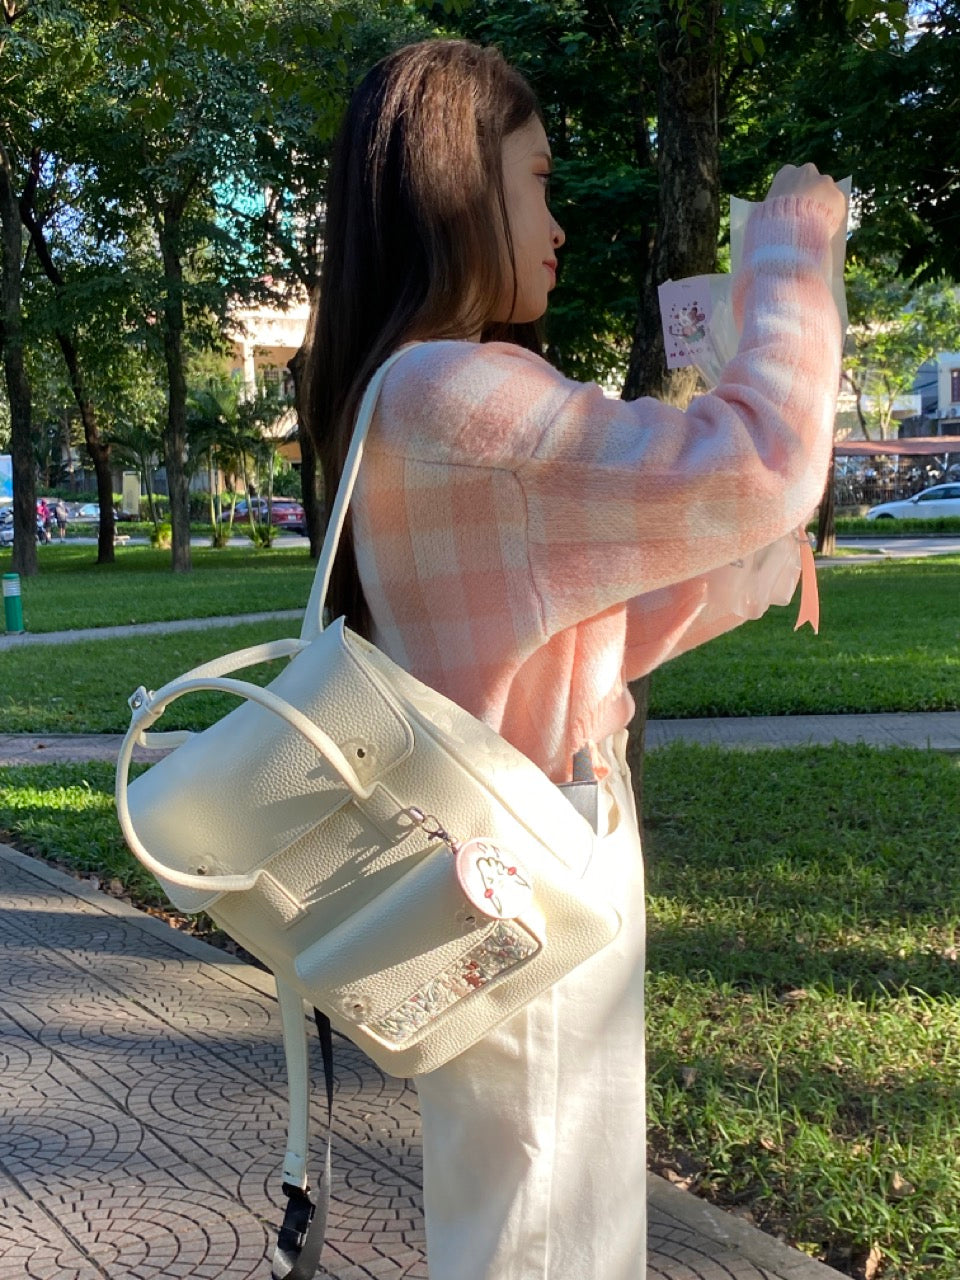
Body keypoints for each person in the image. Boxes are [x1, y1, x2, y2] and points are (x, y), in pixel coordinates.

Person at [303, 39, 845, 1280]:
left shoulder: (402, 393)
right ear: (457, 186)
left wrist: (756, 560)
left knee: (527, 1211)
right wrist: (790, 248)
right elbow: (765, 456)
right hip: (538, 857)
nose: (556, 221)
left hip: (495, 861)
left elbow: (575, 629)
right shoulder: (460, 394)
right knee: (551, 1229)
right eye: (537, 179)